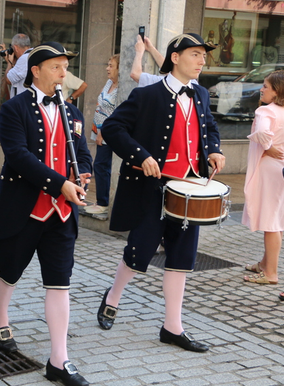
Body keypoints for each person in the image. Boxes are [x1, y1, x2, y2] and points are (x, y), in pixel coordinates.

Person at [97, 33, 225, 353]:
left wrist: (214, 151)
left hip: (189, 188)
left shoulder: (201, 95)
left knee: (182, 257)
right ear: (175, 57)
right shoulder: (148, 94)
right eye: (195, 54)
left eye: (203, 56)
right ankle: (113, 297)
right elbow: (112, 128)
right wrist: (141, 155)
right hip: (152, 189)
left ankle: (172, 327)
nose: (202, 60)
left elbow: (208, 128)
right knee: (139, 251)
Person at [0, 42, 92, 386]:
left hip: (62, 214)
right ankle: (2, 318)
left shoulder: (73, 112)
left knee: (59, 282)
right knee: (9, 270)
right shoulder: (13, 108)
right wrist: (60, 183)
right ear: (35, 70)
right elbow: (17, 155)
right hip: (23, 209)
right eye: (57, 67)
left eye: (66, 67)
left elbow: (82, 152)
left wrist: (84, 175)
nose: (65, 74)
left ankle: (59, 360)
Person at [242, 70, 284, 287]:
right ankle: (264, 263)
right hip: (283, 170)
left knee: (271, 222)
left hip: (270, 169)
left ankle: (270, 273)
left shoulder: (266, 111)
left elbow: (262, 134)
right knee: (275, 219)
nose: (261, 89)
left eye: (266, 86)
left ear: (276, 91)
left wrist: (267, 148)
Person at [84, 54, 119, 216]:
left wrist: (102, 133)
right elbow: (101, 103)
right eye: (108, 64)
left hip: (108, 133)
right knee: (101, 165)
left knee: (100, 165)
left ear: (120, 69)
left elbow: (115, 114)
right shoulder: (109, 83)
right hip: (98, 129)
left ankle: (103, 202)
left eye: (111, 66)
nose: (107, 68)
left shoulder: (121, 89)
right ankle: (101, 201)